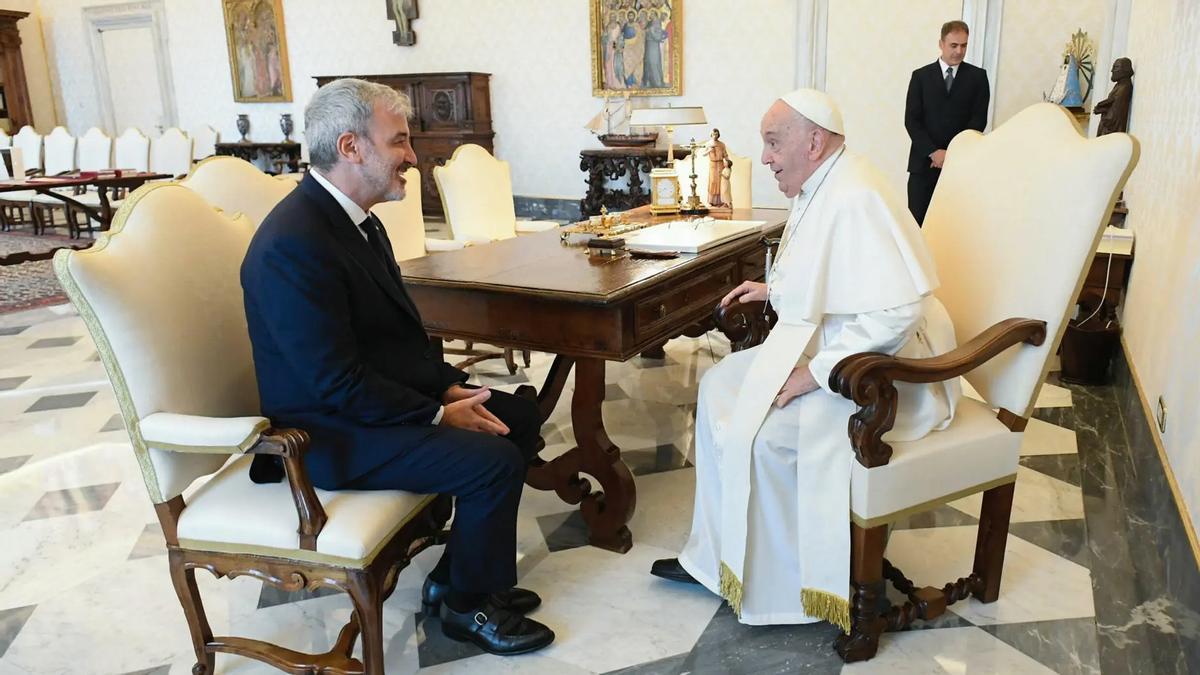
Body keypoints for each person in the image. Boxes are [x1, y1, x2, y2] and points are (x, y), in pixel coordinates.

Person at [240, 78, 554, 656]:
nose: (412, 156)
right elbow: (334, 382)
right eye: (399, 141)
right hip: (326, 434)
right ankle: (468, 608)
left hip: (368, 406)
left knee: (519, 416)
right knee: (493, 462)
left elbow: (394, 344)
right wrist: (437, 414)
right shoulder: (294, 242)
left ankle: (454, 579)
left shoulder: (355, 219)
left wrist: (452, 387)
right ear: (351, 146)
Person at [650, 89, 961, 629]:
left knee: (766, 433)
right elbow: (834, 272)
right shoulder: (827, 181)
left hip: (883, 375)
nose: (766, 157)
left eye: (773, 143)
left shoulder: (855, 192)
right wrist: (774, 290)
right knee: (720, 385)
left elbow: (898, 310)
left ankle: (787, 582)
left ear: (814, 141)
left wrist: (814, 376)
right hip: (842, 348)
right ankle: (718, 558)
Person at [904, 20, 989, 225]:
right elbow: (912, 120)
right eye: (954, 45)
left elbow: (978, 121)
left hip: (959, 168)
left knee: (954, 230)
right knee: (918, 228)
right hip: (923, 167)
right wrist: (934, 152)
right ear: (941, 44)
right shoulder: (920, 77)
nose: (959, 51)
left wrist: (952, 154)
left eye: (964, 45)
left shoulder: (978, 78)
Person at [1094, 57, 1134, 136]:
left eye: (1116, 67)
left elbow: (1115, 116)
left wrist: (1102, 109)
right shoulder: (1119, 85)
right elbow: (1112, 103)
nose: (1112, 70)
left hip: (1112, 133)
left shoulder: (1125, 87)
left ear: (1125, 69)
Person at [705, 128, 730, 206]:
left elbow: (725, 154)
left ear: (718, 135)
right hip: (713, 164)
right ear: (711, 134)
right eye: (713, 134)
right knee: (713, 181)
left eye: (716, 134)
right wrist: (709, 150)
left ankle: (721, 201)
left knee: (721, 182)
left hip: (720, 164)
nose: (715, 136)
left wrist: (728, 163)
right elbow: (704, 154)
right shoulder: (708, 144)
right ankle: (711, 201)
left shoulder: (722, 144)